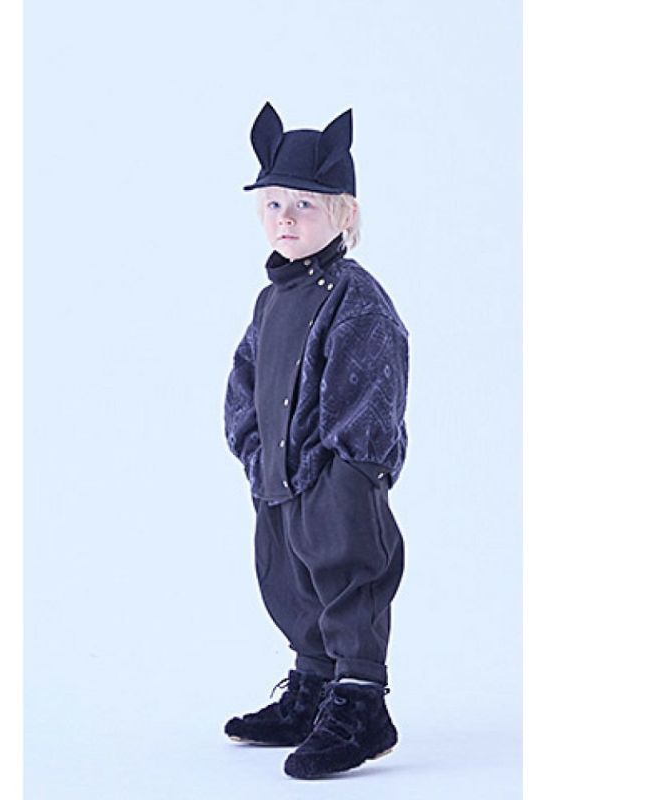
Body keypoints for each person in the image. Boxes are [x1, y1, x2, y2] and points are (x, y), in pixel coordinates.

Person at [223, 101, 410, 779]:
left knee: (347, 577)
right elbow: (245, 377)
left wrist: (343, 471)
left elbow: (371, 383)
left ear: (345, 214)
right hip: (278, 477)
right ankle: (313, 685)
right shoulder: (272, 298)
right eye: (273, 204)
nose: (286, 219)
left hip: (336, 478)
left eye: (304, 204)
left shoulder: (355, 297)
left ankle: (359, 701)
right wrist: (254, 450)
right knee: (289, 581)